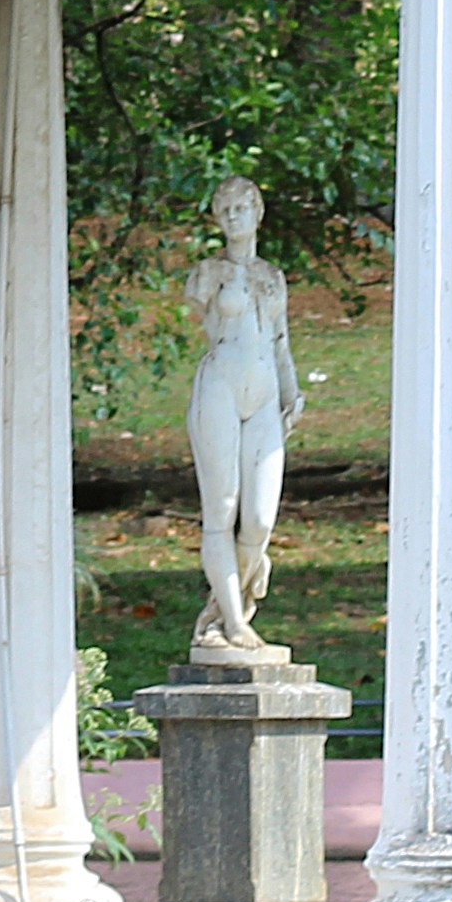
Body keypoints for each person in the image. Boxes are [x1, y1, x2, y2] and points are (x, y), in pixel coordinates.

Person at [184, 176, 301, 650]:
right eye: (225, 209)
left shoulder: (273, 277)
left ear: (257, 213)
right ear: (217, 218)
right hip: (220, 387)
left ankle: (235, 590)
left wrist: (293, 394)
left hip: (266, 393)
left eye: (241, 208)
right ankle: (231, 621)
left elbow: (281, 342)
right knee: (222, 508)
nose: (233, 216)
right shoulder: (207, 275)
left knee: (258, 520)